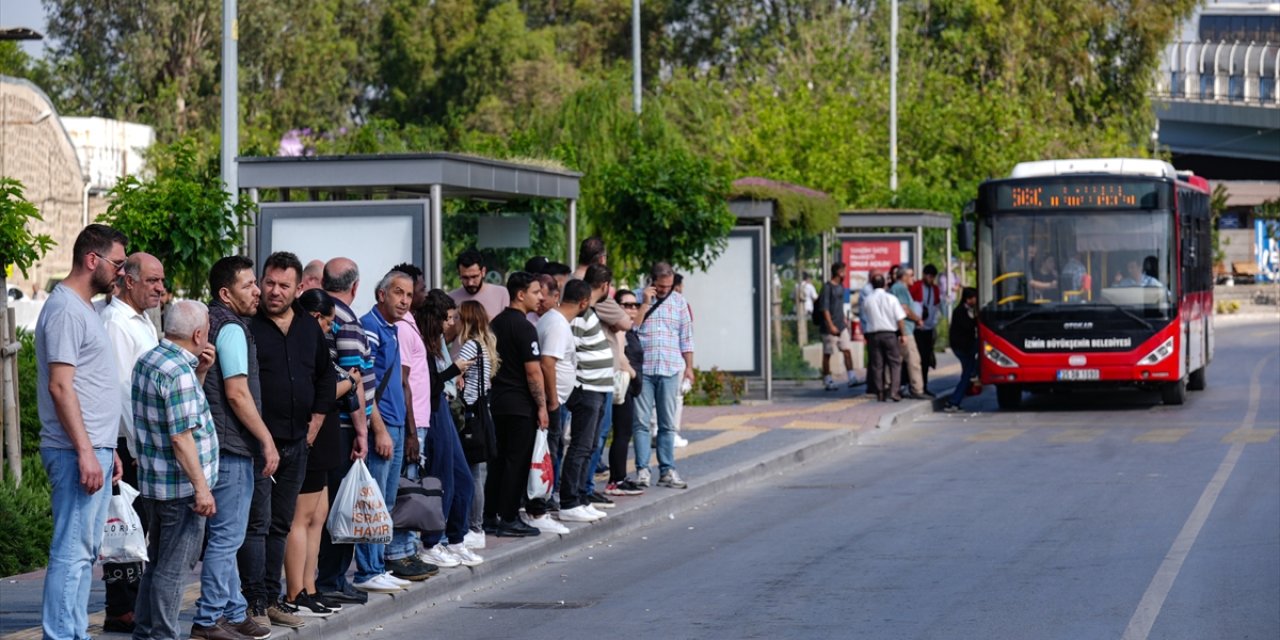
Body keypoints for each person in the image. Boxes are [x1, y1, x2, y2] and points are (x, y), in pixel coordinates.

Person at [35, 224, 127, 640]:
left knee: (82, 552)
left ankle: (73, 633)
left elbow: (88, 386)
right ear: (93, 260)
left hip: (91, 449)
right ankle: (63, 635)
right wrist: (88, 451)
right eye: (118, 264)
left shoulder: (82, 308)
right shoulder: (67, 310)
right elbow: (60, 386)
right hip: (76, 452)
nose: (121, 273)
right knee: (71, 552)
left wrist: (107, 448)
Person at [239, 252, 335, 628]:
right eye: (269, 283)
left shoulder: (309, 328)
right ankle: (254, 603)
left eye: (283, 285)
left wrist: (314, 425)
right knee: (257, 523)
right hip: (259, 444)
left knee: (281, 522)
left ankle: (274, 596)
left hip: (297, 442)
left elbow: (325, 377)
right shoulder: (248, 326)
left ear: (299, 289)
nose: (274, 291)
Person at [192, 256, 279, 640]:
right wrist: (266, 440)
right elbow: (238, 393)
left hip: (219, 444)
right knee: (227, 538)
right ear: (226, 293)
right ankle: (208, 619)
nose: (258, 291)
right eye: (249, 285)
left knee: (227, 537)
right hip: (232, 446)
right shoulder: (231, 329)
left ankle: (233, 610)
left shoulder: (214, 322)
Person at [130, 300, 219, 640]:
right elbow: (182, 437)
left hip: (155, 482)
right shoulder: (177, 372)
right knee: (173, 570)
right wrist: (202, 488)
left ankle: (145, 630)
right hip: (181, 489)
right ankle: (163, 635)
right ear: (198, 334)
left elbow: (171, 415)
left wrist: (201, 373)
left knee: (157, 563)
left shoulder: (150, 360)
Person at [98, 252, 165, 633]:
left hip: (142, 441)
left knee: (136, 526)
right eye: (153, 280)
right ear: (129, 281)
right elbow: (122, 390)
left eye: (161, 280)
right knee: (123, 525)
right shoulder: (115, 323)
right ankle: (120, 607)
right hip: (128, 442)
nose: (160, 288)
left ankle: (130, 601)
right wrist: (139, 449)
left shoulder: (141, 321)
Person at [354, 270, 428, 590]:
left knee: (386, 499)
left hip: (396, 426)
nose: (405, 300)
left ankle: (378, 564)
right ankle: (368, 570)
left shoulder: (393, 328)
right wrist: (380, 430)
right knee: (372, 501)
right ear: (381, 294)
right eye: (398, 293)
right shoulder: (369, 327)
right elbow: (364, 384)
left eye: (409, 295)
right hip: (381, 428)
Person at [283, 289, 354, 617]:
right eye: (327, 321)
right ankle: (295, 590)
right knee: (302, 516)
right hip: (309, 434)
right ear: (314, 316)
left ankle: (309, 586)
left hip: (325, 437)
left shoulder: (315, 343)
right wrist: (349, 384)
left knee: (318, 515)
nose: (329, 328)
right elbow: (315, 391)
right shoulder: (303, 342)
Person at [315, 257, 382, 604]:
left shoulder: (320, 311)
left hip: (324, 424)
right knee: (343, 504)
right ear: (355, 287)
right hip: (342, 427)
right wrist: (361, 432)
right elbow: (353, 379)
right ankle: (332, 577)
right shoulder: (348, 320)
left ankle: (327, 577)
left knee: (325, 506)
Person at [405, 286, 485, 570]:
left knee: (461, 476)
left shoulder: (435, 342)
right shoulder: (419, 342)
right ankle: (432, 541)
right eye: (448, 317)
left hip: (442, 410)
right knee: (442, 478)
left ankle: (455, 538)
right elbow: (428, 383)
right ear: (435, 318)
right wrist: (454, 370)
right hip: (432, 411)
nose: (452, 323)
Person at [485, 271, 548, 537]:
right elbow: (534, 372)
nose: (541, 297)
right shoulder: (525, 327)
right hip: (520, 405)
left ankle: (490, 515)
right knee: (516, 462)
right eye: (536, 292)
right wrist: (543, 406)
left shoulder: (495, 324)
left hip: (497, 402)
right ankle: (509, 516)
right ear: (520, 295)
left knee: (497, 462)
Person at [631, 261, 694, 490]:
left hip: (670, 368)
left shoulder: (679, 303)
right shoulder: (636, 298)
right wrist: (645, 304)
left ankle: (667, 470)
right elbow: (630, 329)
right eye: (660, 287)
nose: (664, 291)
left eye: (668, 286)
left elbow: (686, 338)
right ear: (651, 282)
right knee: (640, 423)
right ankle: (642, 470)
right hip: (644, 369)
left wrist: (689, 367)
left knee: (668, 424)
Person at [534, 280, 589, 526]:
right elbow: (547, 362)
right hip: (551, 401)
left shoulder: (553, 319)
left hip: (555, 399)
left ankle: (546, 502)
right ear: (584, 302)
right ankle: (542, 506)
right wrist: (553, 400)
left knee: (552, 450)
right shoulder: (557, 323)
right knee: (550, 452)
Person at [453, 300, 503, 546]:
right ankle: (476, 526)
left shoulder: (469, 346)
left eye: (458, 318)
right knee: (477, 472)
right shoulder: (485, 344)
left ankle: (474, 527)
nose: (455, 322)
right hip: (484, 413)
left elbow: (453, 372)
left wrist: (455, 378)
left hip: (470, 414)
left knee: (471, 473)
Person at [605, 289, 646, 497]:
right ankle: (616, 479)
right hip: (623, 385)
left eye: (634, 305)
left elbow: (638, 320)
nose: (632, 309)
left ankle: (619, 476)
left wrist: (645, 303)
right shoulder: (620, 330)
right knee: (621, 433)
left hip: (629, 386)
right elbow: (619, 357)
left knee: (624, 432)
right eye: (626, 305)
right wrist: (633, 374)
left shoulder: (630, 329)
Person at [863, 273, 907, 402]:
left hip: (874, 334)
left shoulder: (867, 299)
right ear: (885, 284)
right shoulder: (891, 298)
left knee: (877, 365)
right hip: (889, 334)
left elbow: (866, 316)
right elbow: (900, 318)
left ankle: (880, 392)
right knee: (895, 363)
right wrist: (903, 334)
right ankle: (894, 391)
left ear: (871, 285)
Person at [818, 261, 859, 391]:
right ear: (839, 273)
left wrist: (844, 319)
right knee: (828, 353)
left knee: (847, 350)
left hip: (841, 325)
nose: (845, 274)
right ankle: (827, 379)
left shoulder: (841, 286)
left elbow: (839, 306)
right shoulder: (827, 287)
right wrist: (830, 325)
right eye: (844, 272)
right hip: (830, 327)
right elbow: (825, 308)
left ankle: (851, 377)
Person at [890, 266, 928, 399]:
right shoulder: (900, 288)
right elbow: (904, 309)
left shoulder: (898, 288)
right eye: (911, 275)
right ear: (904, 276)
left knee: (897, 361)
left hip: (901, 330)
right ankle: (917, 389)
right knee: (914, 360)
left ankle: (892, 388)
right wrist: (917, 319)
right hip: (905, 330)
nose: (913, 278)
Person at [944, 288, 980, 413]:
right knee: (967, 376)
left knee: (968, 374)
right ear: (968, 298)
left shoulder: (968, 310)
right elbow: (968, 326)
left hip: (966, 347)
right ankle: (953, 402)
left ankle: (955, 401)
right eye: (974, 298)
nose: (976, 300)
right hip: (963, 348)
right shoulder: (961, 311)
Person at [448, 249, 509, 321]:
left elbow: (505, 327)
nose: (470, 283)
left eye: (474, 277)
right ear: (459, 274)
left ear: (483, 272)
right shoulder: (452, 298)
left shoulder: (501, 293)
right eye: (465, 277)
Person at [909, 264, 942, 391]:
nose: (930, 279)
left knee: (926, 358)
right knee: (918, 358)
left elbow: (936, 307)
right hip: (917, 328)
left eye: (932, 277)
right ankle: (917, 385)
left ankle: (924, 384)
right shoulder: (917, 286)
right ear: (924, 275)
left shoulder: (935, 289)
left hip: (929, 328)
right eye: (929, 276)